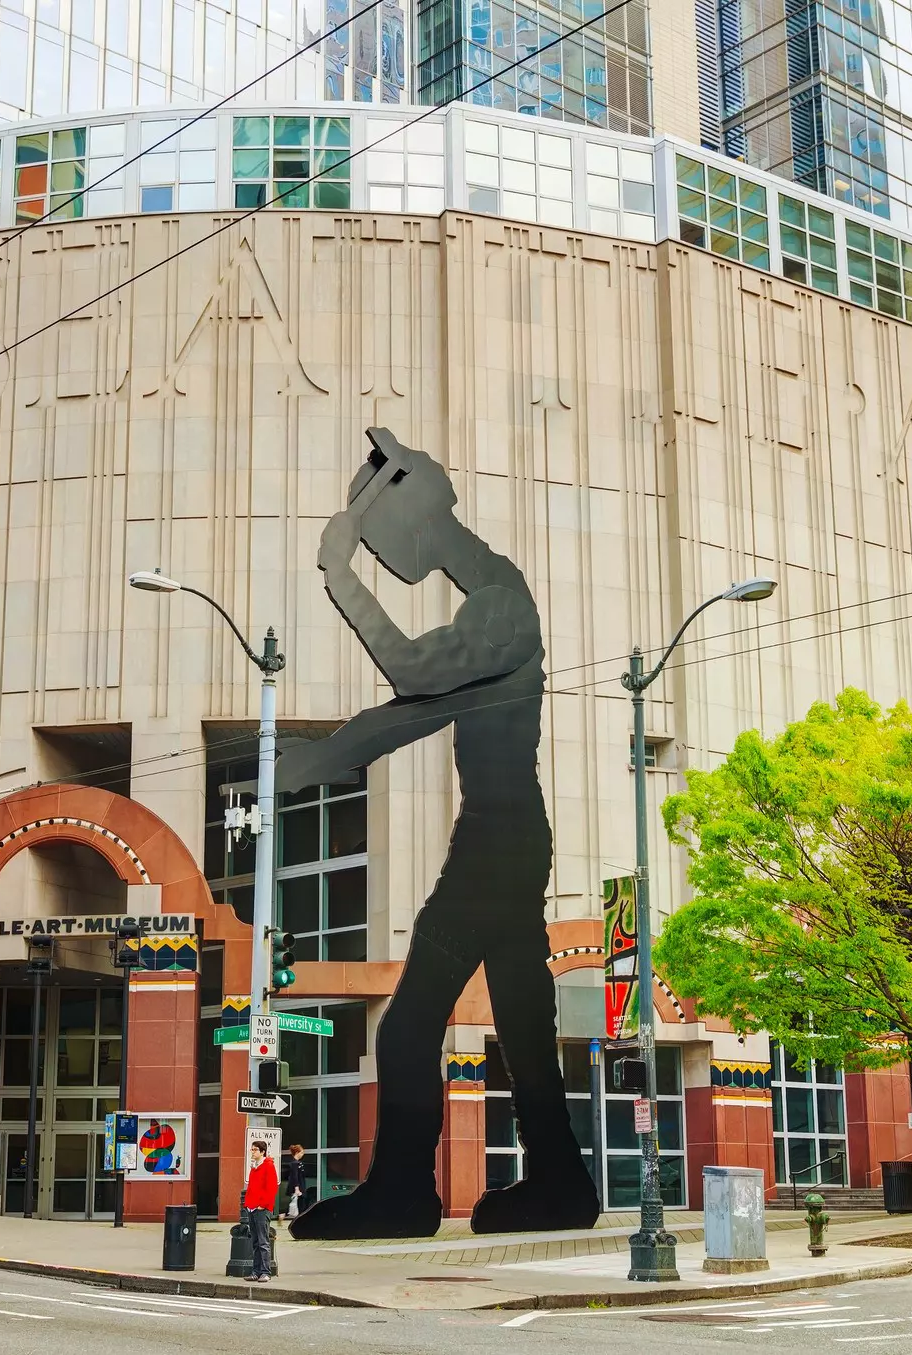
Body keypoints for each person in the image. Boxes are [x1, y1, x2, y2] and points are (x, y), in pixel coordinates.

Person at [280, 430, 599, 1241]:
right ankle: (561, 1181)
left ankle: (401, 1191)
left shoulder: (501, 606)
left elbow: (415, 675)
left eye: (378, 535)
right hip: (506, 836)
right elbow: (411, 712)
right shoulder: (491, 605)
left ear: (413, 519)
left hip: (497, 841)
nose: (380, 553)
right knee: (522, 1021)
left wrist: (342, 576)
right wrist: (316, 762)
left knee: (410, 1022)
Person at [240, 1140, 278, 1282]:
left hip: (261, 1208)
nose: (253, 1152)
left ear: (262, 1152)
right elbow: (251, 1187)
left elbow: (272, 1188)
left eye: (255, 1149)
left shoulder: (268, 1166)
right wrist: (247, 1204)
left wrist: (263, 1205)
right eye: (252, 1149)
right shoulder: (254, 1167)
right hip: (252, 1207)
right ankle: (256, 1271)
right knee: (255, 1242)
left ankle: (265, 1272)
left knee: (263, 1242)